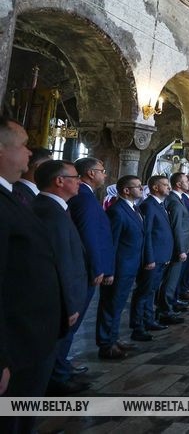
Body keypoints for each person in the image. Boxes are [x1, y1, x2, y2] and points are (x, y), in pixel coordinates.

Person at [0, 117, 66, 433]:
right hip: (17, 344)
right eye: (23, 145)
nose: (30, 155)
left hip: (31, 337)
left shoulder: (13, 198)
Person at [31, 160, 88, 394]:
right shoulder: (49, 212)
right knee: (38, 371)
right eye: (75, 177)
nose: (79, 182)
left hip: (64, 297)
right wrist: (71, 304)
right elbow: (61, 262)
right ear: (60, 181)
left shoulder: (57, 209)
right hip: (57, 301)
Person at [68, 157, 114, 368]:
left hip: (87, 266)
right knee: (72, 321)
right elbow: (88, 236)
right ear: (90, 173)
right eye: (102, 170)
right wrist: (97, 267)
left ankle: (61, 366)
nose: (105, 174)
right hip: (86, 268)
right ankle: (59, 370)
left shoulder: (87, 196)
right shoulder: (85, 199)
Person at [101, 176, 145, 357]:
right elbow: (112, 243)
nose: (142, 189)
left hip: (130, 265)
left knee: (118, 306)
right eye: (138, 187)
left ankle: (114, 338)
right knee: (111, 306)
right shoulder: (117, 212)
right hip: (119, 267)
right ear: (126, 190)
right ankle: (106, 345)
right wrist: (109, 270)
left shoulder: (133, 209)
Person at [132, 175, 174, 337]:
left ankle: (148, 320)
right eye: (165, 185)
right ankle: (138, 326)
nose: (169, 187)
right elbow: (147, 234)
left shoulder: (159, 205)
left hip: (161, 255)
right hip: (153, 257)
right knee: (143, 292)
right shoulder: (149, 206)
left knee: (151, 291)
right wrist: (149, 258)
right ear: (155, 188)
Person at [159, 173, 189, 325]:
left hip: (180, 246)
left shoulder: (177, 199)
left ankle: (168, 307)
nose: (188, 183)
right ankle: (165, 311)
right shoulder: (175, 201)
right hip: (177, 248)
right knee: (170, 281)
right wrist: (181, 249)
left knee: (172, 280)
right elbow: (177, 227)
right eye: (185, 181)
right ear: (178, 184)